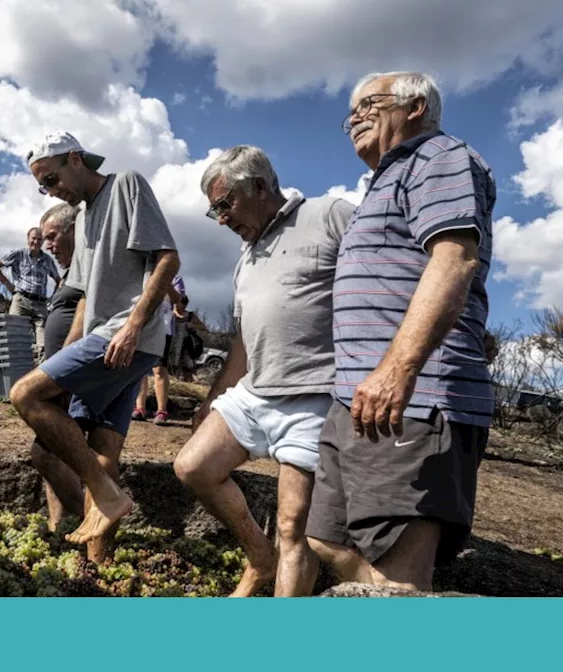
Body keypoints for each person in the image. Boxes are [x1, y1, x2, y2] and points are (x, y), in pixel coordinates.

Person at [305, 71, 496, 592]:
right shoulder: (385, 181)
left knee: (397, 574)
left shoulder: (437, 157)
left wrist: (398, 368)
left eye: (370, 103)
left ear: (416, 107)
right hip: (356, 397)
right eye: (350, 112)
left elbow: (455, 259)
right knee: (327, 539)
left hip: (412, 397)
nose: (355, 119)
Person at [172, 145, 355, 597]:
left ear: (259, 185)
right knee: (193, 466)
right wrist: (215, 396)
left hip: (315, 396)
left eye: (224, 205)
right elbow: (242, 341)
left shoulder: (330, 213)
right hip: (256, 392)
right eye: (213, 210)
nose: (220, 220)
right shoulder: (245, 258)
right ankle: (261, 558)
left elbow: (388, 275)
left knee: (294, 526)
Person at [11, 131, 180, 561]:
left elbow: (167, 258)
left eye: (51, 179)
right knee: (104, 449)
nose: (50, 190)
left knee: (24, 394)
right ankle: (98, 562)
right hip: (103, 337)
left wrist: (133, 326)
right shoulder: (81, 216)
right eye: (43, 186)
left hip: (126, 336)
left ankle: (104, 495)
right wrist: (61, 357)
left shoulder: (127, 185)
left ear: (75, 159)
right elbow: (85, 298)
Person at [29, 203, 86, 532]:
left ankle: (88, 519)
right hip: (57, 373)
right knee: (51, 450)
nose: (48, 244)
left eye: (52, 236)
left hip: (70, 375)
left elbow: (86, 311)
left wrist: (62, 369)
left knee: (49, 451)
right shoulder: (68, 271)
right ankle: (57, 526)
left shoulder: (87, 266)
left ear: (73, 230)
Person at [132, 275, 186, 424]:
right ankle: (139, 408)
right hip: (144, 325)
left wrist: (164, 280)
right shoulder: (144, 273)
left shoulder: (175, 279)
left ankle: (161, 410)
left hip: (164, 327)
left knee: (159, 368)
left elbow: (179, 301)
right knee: (140, 368)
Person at [0, 227, 62, 334]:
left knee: (43, 339)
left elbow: (59, 280)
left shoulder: (47, 260)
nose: (36, 242)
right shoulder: (18, 254)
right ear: (28, 239)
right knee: (15, 334)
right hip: (21, 300)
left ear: (42, 241)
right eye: (33, 238)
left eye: (39, 239)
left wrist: (52, 299)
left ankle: (41, 350)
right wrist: (8, 284)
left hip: (40, 303)